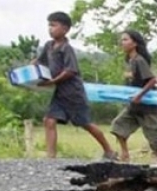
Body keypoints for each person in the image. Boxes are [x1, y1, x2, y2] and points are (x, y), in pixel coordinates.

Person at [33, 11, 117, 160]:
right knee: (49, 120)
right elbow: (39, 62)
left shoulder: (66, 49)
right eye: (49, 25)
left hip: (73, 93)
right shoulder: (49, 46)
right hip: (59, 94)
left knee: (85, 123)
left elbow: (70, 71)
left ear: (65, 29)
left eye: (53, 25)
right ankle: (50, 157)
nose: (50, 28)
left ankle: (109, 151)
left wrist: (52, 82)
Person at [109, 30, 157, 166]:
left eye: (125, 40)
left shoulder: (139, 60)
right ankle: (125, 154)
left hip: (148, 108)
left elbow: (152, 81)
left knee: (156, 140)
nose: (122, 42)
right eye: (122, 40)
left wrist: (139, 95)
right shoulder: (130, 61)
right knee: (118, 126)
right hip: (134, 106)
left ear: (134, 43)